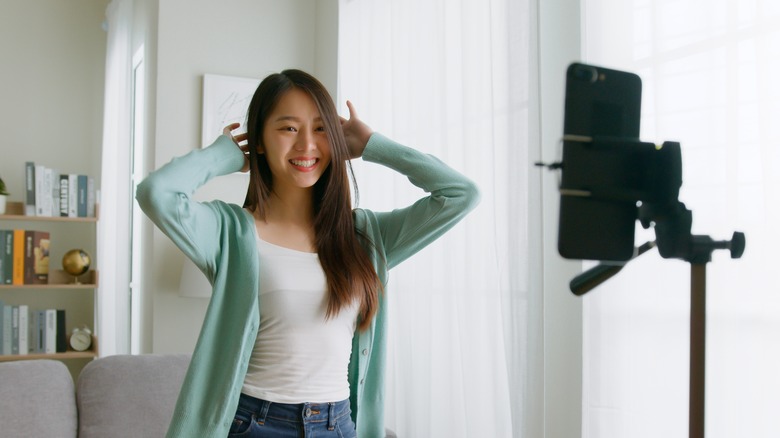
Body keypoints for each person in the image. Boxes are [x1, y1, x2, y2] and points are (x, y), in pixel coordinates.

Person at [136, 69, 480, 438]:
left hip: (340, 424)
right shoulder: (228, 232)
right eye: (288, 128)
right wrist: (225, 156)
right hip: (255, 424)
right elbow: (157, 193)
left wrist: (372, 145)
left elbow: (460, 194)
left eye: (320, 129)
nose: (306, 146)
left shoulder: (365, 236)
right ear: (260, 140)